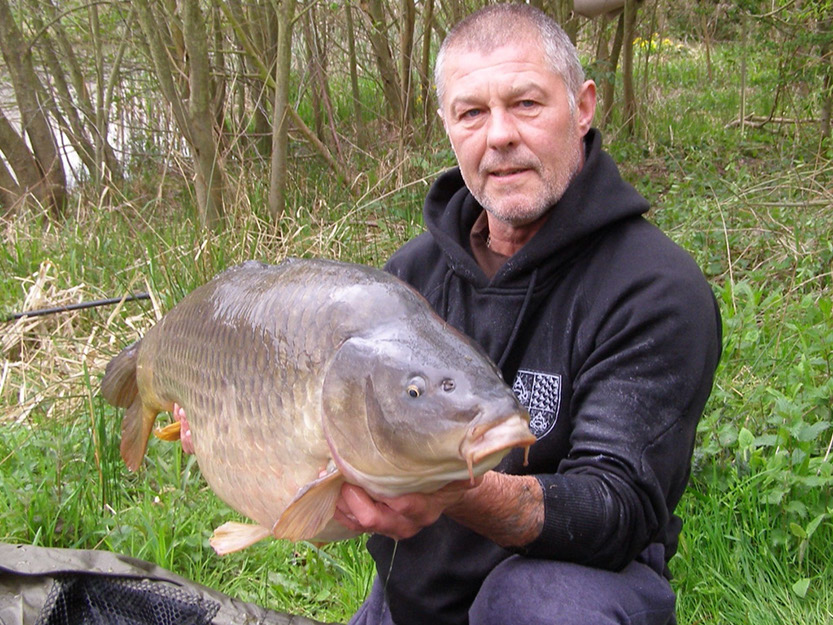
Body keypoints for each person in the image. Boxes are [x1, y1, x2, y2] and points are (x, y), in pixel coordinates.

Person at [176, 5, 722, 624]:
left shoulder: (653, 287)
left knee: (534, 602)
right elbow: (341, 497)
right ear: (447, 124)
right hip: (414, 602)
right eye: (472, 113)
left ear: (584, 105)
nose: (499, 135)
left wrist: (456, 490)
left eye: (527, 104)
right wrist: (249, 445)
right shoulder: (404, 279)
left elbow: (616, 508)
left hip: (571, 599)